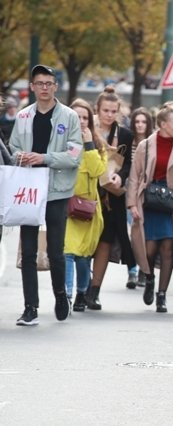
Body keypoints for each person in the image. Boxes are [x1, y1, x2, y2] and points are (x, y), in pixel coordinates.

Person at [9, 64, 83, 326]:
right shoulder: (24, 117)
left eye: (48, 83)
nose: (44, 88)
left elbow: (75, 154)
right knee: (27, 251)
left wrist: (45, 157)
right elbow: (13, 147)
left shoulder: (69, 116)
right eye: (39, 83)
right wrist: (22, 156)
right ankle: (31, 307)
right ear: (32, 87)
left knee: (55, 250)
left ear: (55, 86)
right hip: (28, 189)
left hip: (57, 190)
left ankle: (60, 295)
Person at [127, 103, 173, 313]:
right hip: (149, 199)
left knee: (167, 248)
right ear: (163, 124)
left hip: (172, 202)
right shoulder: (146, 145)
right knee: (148, 249)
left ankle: (162, 295)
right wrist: (132, 204)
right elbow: (134, 176)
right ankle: (149, 278)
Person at [84, 86, 135, 310]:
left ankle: (94, 290)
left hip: (111, 197)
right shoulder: (85, 128)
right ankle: (80, 287)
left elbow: (128, 166)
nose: (109, 115)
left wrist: (120, 177)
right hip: (86, 191)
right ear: (97, 109)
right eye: (105, 110)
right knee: (85, 241)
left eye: (113, 111)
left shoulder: (124, 134)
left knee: (105, 241)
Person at [64, 99, 108, 312]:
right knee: (67, 252)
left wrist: (89, 144)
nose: (81, 122)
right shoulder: (61, 141)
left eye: (85, 118)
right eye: (76, 117)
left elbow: (97, 171)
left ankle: (82, 291)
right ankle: (66, 295)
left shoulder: (98, 146)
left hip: (87, 210)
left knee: (82, 257)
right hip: (66, 207)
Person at [125, 107, 155, 289]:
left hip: (147, 192)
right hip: (129, 188)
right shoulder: (128, 141)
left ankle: (145, 270)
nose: (140, 125)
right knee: (132, 232)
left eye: (144, 122)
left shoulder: (153, 142)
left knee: (145, 233)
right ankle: (132, 271)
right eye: (137, 122)